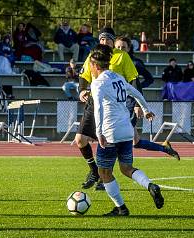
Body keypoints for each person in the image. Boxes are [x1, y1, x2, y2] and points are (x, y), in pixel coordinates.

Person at [76, 27, 180, 191]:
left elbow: (133, 82)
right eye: (102, 39)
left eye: (108, 39)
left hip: (116, 108)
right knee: (80, 141)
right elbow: (83, 75)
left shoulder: (122, 57)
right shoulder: (93, 54)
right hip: (94, 103)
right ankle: (96, 172)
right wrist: (82, 90)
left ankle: (106, 179)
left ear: (112, 40)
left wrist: (139, 106)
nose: (105, 42)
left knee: (127, 141)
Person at [90, 44, 164, 216]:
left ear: (95, 66)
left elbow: (98, 109)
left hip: (110, 132)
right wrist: (145, 110)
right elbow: (136, 92)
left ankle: (121, 208)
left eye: (90, 66)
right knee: (126, 168)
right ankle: (150, 185)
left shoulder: (98, 83)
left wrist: (99, 132)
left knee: (104, 172)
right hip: (126, 130)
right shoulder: (118, 77)